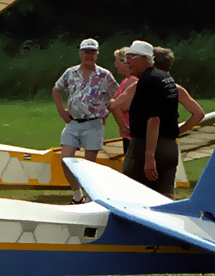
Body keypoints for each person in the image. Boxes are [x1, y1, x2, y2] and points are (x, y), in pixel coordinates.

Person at [51, 38, 118, 203]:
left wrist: (106, 113)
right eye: (86, 52)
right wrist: (61, 111)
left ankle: (90, 198)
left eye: (92, 52)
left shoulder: (104, 75)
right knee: (65, 160)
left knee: (90, 166)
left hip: (94, 124)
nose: (89, 55)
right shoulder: (71, 72)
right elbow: (56, 89)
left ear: (97, 55)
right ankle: (77, 195)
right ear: (81, 53)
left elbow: (115, 97)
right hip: (72, 123)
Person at [115, 40, 182, 198]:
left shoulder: (147, 81)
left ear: (144, 59)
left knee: (132, 195)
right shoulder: (166, 77)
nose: (128, 62)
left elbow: (154, 120)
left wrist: (149, 156)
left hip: (147, 146)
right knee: (166, 198)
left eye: (131, 57)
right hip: (170, 147)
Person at [153, 46, 206, 139]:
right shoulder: (176, 88)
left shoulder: (140, 86)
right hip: (169, 140)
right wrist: (178, 131)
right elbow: (198, 113)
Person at [110, 45, 137, 156]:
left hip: (132, 132)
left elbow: (123, 106)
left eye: (117, 62)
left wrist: (112, 102)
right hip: (126, 133)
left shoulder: (133, 80)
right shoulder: (125, 81)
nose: (116, 66)